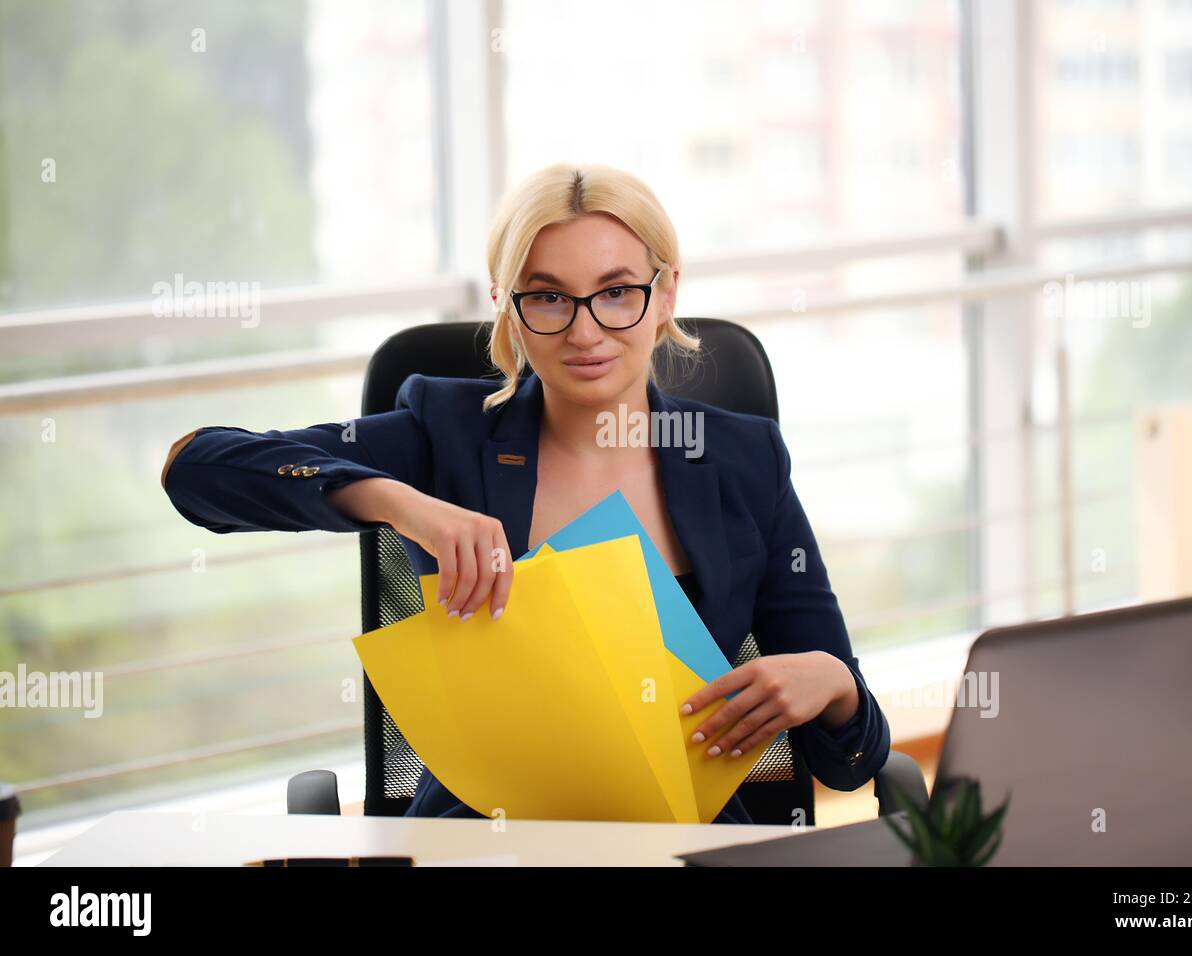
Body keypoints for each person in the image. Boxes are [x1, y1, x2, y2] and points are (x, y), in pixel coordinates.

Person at [160, 162, 890, 824]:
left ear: (666, 292)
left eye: (616, 293)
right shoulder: (444, 432)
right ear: (508, 306)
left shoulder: (742, 460)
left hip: (673, 837)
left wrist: (832, 684)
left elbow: (849, 760)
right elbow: (197, 469)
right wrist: (396, 500)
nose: (585, 331)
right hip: (486, 837)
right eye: (548, 298)